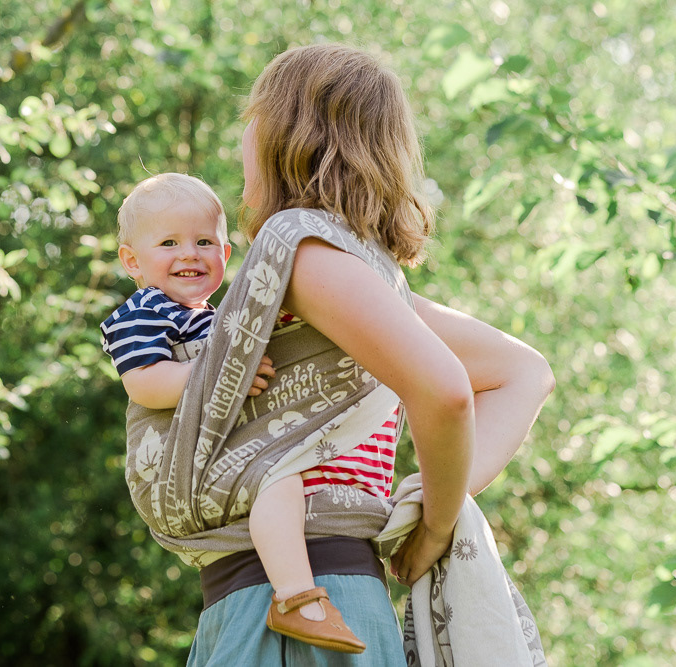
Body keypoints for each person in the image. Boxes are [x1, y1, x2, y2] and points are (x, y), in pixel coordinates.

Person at [182, 43, 556, 665]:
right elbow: (523, 373)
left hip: (291, 607)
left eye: (252, 120)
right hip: (333, 600)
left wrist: (435, 522)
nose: (242, 139)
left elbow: (447, 390)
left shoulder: (301, 254)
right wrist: (434, 501)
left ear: (284, 136)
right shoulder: (370, 283)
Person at [100, 172, 366, 653]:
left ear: (225, 254)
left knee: (279, 474)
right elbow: (146, 383)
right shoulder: (145, 309)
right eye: (169, 243)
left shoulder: (218, 319)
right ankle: (296, 598)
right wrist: (228, 373)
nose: (189, 254)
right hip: (172, 459)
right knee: (276, 476)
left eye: (204, 242)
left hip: (220, 446)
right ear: (132, 261)